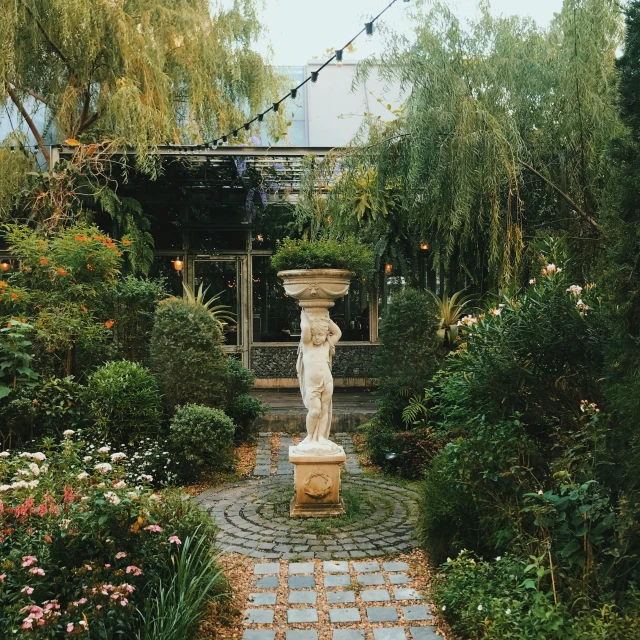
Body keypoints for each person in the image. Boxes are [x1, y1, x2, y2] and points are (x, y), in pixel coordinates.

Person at [295, 308, 342, 451]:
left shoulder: (327, 344)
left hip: (327, 381)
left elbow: (338, 332)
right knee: (315, 411)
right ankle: (310, 436)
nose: (317, 338)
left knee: (324, 410)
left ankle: (321, 437)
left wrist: (327, 320)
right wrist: (304, 315)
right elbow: (306, 329)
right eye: (314, 335)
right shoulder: (308, 346)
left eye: (321, 334)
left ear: (326, 334)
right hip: (312, 386)